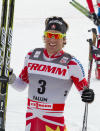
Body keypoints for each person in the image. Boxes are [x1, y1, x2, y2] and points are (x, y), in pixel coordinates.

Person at [9, 16, 94, 131]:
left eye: (57, 36)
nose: (52, 40)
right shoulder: (32, 56)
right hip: (31, 123)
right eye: (49, 35)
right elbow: (21, 86)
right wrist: (9, 76)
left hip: (54, 124)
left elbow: (85, 93)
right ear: (44, 37)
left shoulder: (71, 64)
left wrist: (89, 95)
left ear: (64, 39)